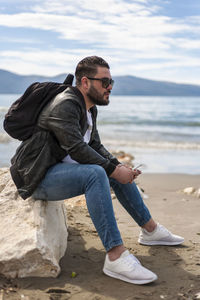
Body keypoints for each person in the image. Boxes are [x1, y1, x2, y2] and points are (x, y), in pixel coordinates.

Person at [10, 56, 184, 285]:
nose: (109, 87)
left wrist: (118, 165)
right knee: (97, 173)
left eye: (112, 82)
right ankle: (115, 255)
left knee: (110, 169)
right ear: (85, 82)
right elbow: (76, 148)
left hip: (58, 170)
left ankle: (150, 231)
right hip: (36, 177)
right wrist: (113, 169)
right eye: (104, 82)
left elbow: (94, 145)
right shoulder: (65, 104)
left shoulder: (88, 108)